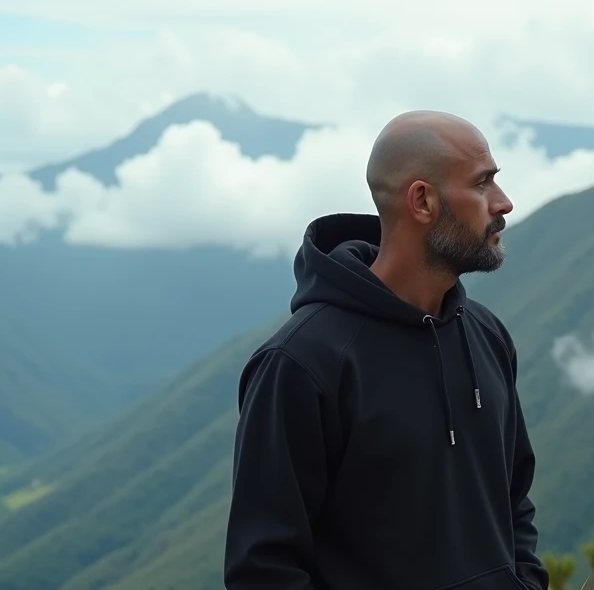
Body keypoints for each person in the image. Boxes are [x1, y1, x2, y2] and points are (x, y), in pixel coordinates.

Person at [223, 110, 550, 590]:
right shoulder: (301, 363)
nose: (504, 203)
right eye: (483, 185)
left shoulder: (485, 334)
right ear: (422, 201)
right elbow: (264, 569)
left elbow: (513, 498)